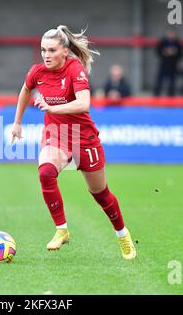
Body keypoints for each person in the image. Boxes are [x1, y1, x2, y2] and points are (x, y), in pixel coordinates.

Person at [10, 25, 136, 259]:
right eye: (42, 50)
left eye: (51, 50)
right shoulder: (37, 72)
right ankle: (62, 230)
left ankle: (123, 235)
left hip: (83, 136)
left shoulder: (74, 68)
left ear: (64, 52)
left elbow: (84, 103)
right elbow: (25, 90)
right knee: (46, 172)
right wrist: (17, 122)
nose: (46, 55)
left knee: (100, 194)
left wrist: (51, 107)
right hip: (56, 133)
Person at [154, 28, 183, 96]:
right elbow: (158, 51)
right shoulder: (162, 42)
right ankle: (156, 96)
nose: (171, 35)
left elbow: (182, 53)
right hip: (164, 64)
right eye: (170, 33)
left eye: (173, 34)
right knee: (159, 81)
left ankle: (171, 97)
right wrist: (165, 52)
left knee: (172, 82)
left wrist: (175, 52)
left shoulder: (178, 42)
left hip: (173, 65)